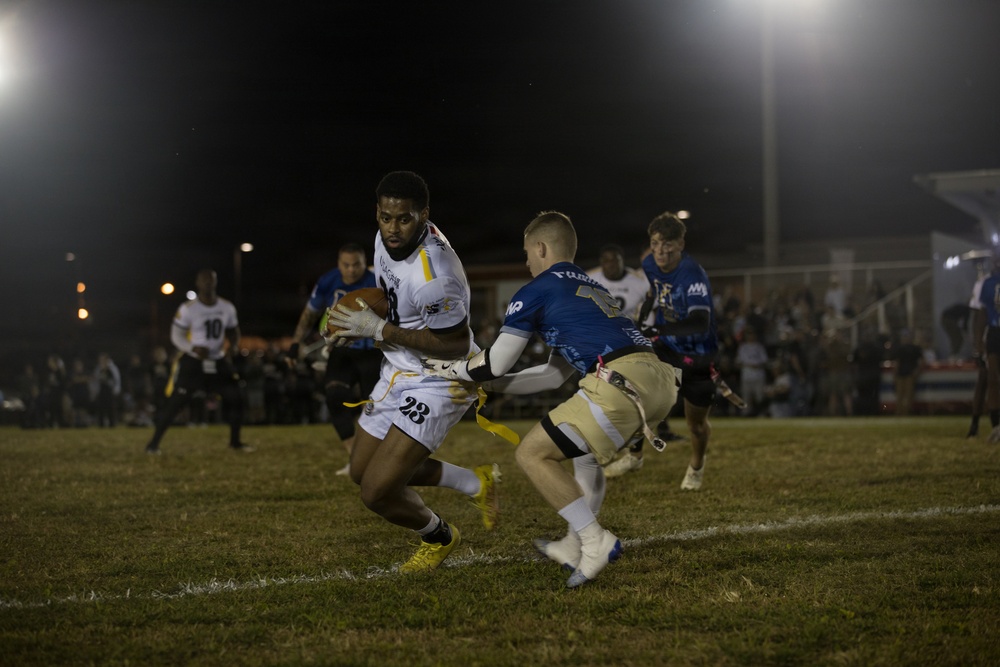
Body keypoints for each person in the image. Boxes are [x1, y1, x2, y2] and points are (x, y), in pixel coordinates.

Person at [423, 211, 675, 588]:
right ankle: (574, 544)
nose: (527, 262)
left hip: (620, 383)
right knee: (584, 454)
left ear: (541, 248)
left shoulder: (538, 289)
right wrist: (495, 387)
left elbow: (494, 362)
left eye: (527, 253)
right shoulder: (588, 287)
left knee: (532, 454)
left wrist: (451, 370)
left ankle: (594, 540)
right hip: (658, 381)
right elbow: (552, 374)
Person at [324, 170, 500, 574]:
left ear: (424, 214)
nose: (392, 228)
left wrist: (378, 330)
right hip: (399, 366)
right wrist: (354, 325)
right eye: (386, 217)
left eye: (404, 219)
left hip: (439, 378)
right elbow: (391, 300)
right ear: (377, 212)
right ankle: (476, 482)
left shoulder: (435, 275)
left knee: (376, 492)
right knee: (360, 471)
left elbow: (455, 343)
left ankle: (439, 536)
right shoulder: (383, 239)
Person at [615, 212, 720, 490]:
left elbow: (700, 321)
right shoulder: (649, 263)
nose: (660, 250)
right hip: (665, 348)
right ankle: (635, 456)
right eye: (655, 243)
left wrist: (657, 329)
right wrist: (643, 319)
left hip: (698, 355)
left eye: (667, 244)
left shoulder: (692, 274)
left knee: (696, 425)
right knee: (637, 394)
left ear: (681, 244)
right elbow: (654, 293)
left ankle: (696, 466)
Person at [288, 243, 384, 475]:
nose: (351, 270)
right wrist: (295, 343)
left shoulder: (377, 281)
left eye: (356, 265)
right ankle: (355, 458)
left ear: (365, 263)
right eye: (346, 265)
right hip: (341, 350)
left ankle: (375, 460)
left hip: (372, 350)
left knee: (372, 408)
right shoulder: (328, 281)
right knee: (334, 396)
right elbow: (310, 313)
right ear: (339, 264)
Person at [589, 243, 682, 478]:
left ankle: (634, 453)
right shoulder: (590, 278)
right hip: (601, 348)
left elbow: (654, 308)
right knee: (603, 398)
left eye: (614, 259)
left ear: (623, 260)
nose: (610, 265)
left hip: (633, 347)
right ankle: (617, 446)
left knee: (636, 398)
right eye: (606, 260)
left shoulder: (639, 281)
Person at [144, 269, 251, 454]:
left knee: (237, 397)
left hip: (218, 360)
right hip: (194, 362)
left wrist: (233, 345)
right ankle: (153, 444)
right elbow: (176, 336)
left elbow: (234, 331)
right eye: (204, 280)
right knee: (176, 403)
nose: (208, 283)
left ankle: (235, 442)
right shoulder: (188, 308)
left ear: (216, 282)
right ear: (198, 283)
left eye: (211, 280)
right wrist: (192, 348)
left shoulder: (226, 307)